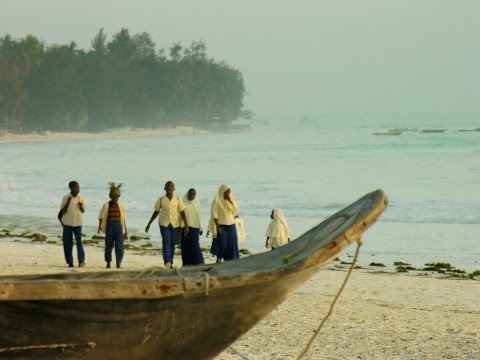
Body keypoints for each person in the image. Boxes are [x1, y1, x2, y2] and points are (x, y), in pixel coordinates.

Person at [145, 181, 189, 269]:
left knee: (172, 244)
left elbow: (182, 212)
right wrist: (149, 223)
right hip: (164, 225)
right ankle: (167, 262)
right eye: (168, 186)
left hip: (175, 226)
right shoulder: (161, 199)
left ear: (174, 189)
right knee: (166, 243)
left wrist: (186, 225)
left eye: (171, 186)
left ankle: (170, 262)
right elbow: (156, 211)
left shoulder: (177, 199)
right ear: (165, 188)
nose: (170, 188)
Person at [98, 182, 128, 269]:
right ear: (110, 196)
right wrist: (99, 227)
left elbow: (123, 219)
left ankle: (118, 263)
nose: (115, 198)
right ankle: (108, 262)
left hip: (119, 227)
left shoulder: (121, 206)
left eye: (117, 196)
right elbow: (101, 216)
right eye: (113, 196)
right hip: (109, 227)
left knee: (119, 246)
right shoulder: (106, 205)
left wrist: (125, 231)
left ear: (119, 197)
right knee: (108, 246)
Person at [58, 181, 86, 268]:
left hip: (78, 223)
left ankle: (81, 261)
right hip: (67, 223)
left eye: (78, 188)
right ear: (71, 188)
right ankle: (70, 262)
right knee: (67, 243)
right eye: (76, 188)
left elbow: (83, 211)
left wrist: (81, 206)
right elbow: (63, 211)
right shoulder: (66, 197)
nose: (78, 190)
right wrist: (68, 202)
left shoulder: (80, 198)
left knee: (79, 242)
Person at [211, 184, 240, 262]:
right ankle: (219, 258)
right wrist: (218, 227)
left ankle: (230, 260)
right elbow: (214, 215)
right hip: (221, 225)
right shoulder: (216, 200)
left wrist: (230, 201)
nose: (228, 194)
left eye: (229, 192)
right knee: (222, 244)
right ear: (222, 192)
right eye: (227, 192)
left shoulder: (231, 199)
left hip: (231, 225)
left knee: (231, 244)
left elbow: (236, 211)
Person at [180, 188, 204, 266]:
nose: (192, 195)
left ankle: (199, 262)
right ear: (187, 194)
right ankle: (186, 264)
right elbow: (179, 216)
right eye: (190, 193)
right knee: (185, 247)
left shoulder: (197, 204)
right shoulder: (183, 203)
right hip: (185, 228)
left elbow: (199, 216)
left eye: (194, 194)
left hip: (195, 228)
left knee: (195, 245)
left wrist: (201, 228)